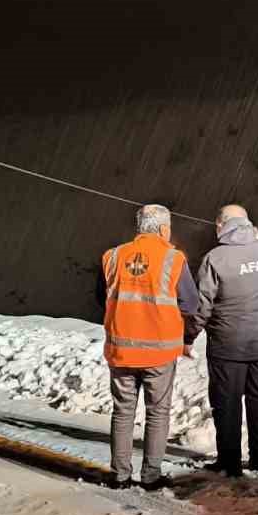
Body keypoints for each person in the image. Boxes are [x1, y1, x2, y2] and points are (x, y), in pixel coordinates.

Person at [96, 203, 200, 491]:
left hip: (121, 349)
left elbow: (100, 297)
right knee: (157, 412)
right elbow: (190, 303)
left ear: (139, 227)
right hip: (159, 352)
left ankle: (119, 476)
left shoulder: (113, 256)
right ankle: (151, 476)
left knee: (122, 411)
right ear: (165, 229)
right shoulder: (173, 258)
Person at [193, 203, 258, 476]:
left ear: (221, 226)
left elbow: (202, 305)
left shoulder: (216, 259)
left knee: (227, 402)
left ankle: (230, 462)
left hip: (228, 344)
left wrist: (189, 335)